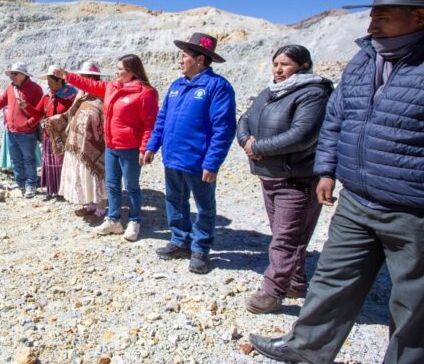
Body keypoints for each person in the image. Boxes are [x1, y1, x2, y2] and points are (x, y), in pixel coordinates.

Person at [250, 0, 424, 364]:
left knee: (413, 304)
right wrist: (328, 169)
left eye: (383, 15)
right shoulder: (364, 61)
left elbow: (307, 126)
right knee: (333, 279)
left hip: (416, 209)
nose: (371, 24)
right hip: (357, 199)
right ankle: (306, 348)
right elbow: (336, 120)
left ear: (419, 17)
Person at [236, 45, 333, 313]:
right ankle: (297, 282)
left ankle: (272, 292)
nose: (278, 70)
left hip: (297, 179)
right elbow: (244, 119)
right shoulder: (269, 92)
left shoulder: (314, 94)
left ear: (303, 66)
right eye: (275, 64)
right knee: (288, 235)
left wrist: (259, 148)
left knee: (285, 239)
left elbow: (302, 134)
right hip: (270, 177)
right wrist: (246, 141)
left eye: (285, 65)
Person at [143, 33, 236, 274]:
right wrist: (152, 146)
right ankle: (180, 241)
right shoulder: (177, 85)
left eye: (185, 55)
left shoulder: (218, 87)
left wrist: (213, 162)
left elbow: (223, 128)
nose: (180, 60)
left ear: (201, 60)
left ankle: (201, 249)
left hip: (198, 161)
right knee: (174, 201)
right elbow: (162, 119)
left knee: (204, 205)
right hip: (172, 157)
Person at [53, 54, 159, 242]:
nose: (116, 72)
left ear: (132, 71)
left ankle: (134, 221)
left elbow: (150, 124)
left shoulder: (145, 92)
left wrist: (145, 149)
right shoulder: (112, 86)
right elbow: (90, 85)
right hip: (111, 146)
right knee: (112, 185)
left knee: (132, 186)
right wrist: (67, 76)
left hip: (130, 148)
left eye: (120, 69)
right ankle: (114, 220)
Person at [44, 61, 107, 218]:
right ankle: (90, 203)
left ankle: (101, 207)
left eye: (86, 76)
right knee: (85, 174)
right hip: (79, 144)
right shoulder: (81, 94)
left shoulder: (103, 96)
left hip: (97, 144)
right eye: (83, 76)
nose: (83, 79)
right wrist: (55, 120)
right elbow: (71, 113)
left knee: (97, 174)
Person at [0, 62, 43, 197]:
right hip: (11, 131)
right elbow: (0, 102)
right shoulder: (10, 88)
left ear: (24, 75)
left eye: (15, 73)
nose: (12, 76)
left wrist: (29, 124)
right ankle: (21, 184)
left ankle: (31, 184)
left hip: (26, 132)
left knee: (28, 159)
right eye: (11, 73)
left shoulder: (35, 89)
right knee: (15, 159)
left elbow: (40, 112)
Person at [21, 65, 77, 200]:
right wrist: (27, 107)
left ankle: (67, 189)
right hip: (49, 136)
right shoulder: (48, 97)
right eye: (48, 82)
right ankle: (55, 189)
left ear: (60, 81)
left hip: (65, 136)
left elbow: (75, 114)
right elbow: (39, 114)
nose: (49, 85)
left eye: (51, 82)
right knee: (52, 163)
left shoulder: (72, 96)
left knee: (65, 163)